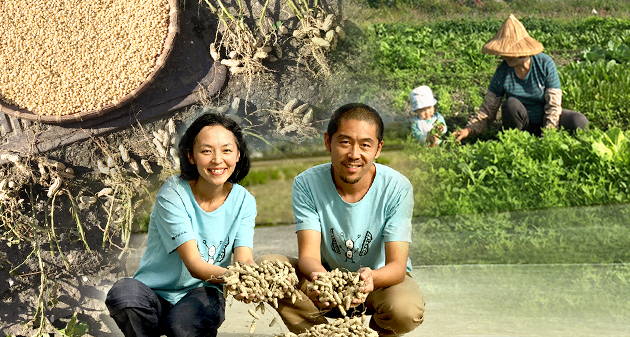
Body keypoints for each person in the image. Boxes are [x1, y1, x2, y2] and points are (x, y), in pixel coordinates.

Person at [258, 103, 425, 336]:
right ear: (328, 142)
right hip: (325, 280)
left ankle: (374, 334)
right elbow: (308, 256)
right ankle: (322, 333)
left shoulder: (397, 188)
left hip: (377, 284)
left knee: (405, 308)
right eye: (345, 142)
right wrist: (322, 280)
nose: (354, 154)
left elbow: (397, 267)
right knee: (268, 267)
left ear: (378, 149)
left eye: (365, 145)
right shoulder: (307, 183)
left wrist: (370, 279)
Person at [105, 113, 256, 337]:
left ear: (237, 155)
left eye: (226, 150)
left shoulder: (244, 201)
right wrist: (237, 279)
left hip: (202, 293)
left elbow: (244, 259)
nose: (217, 160)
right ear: (191, 156)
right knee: (125, 296)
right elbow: (194, 264)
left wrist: (254, 280)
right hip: (154, 293)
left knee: (184, 325)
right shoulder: (174, 192)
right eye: (206, 151)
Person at [453, 14, 588, 142]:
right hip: (521, 123)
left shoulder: (545, 64)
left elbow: (553, 105)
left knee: (579, 121)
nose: (507, 56)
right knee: (511, 104)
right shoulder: (503, 71)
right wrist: (469, 130)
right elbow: (488, 109)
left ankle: (557, 141)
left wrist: (548, 135)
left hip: (544, 119)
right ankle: (518, 141)